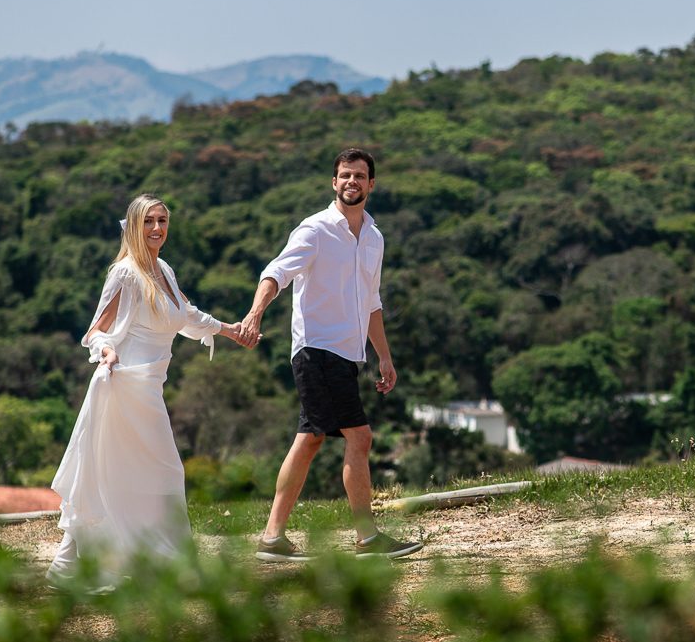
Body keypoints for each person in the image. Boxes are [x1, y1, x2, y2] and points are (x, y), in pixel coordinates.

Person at [47, 194, 254, 589]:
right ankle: (168, 567)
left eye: (162, 220)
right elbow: (96, 331)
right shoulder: (124, 273)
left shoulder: (164, 270)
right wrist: (106, 351)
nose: (157, 228)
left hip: (149, 390)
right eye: (148, 221)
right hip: (123, 386)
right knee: (141, 473)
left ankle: (71, 567)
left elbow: (186, 315)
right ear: (134, 226)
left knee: (126, 475)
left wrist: (230, 330)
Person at [238, 148, 423, 561]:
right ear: (334, 182)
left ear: (371, 184)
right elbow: (275, 273)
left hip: (347, 355)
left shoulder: (374, 238)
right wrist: (254, 314)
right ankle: (367, 537)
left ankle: (272, 537)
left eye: (359, 176)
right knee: (359, 437)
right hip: (315, 349)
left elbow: (371, 302)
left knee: (310, 439)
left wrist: (384, 357)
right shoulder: (315, 230)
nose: (351, 182)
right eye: (344, 175)